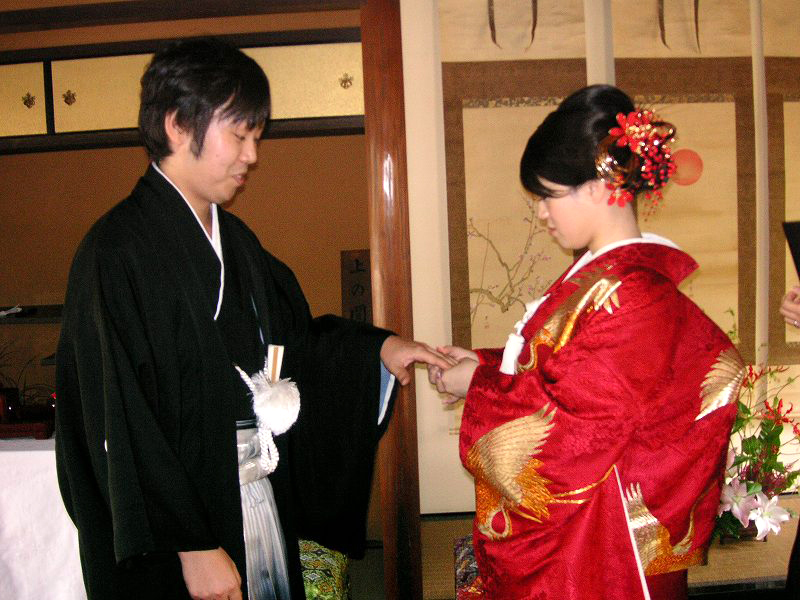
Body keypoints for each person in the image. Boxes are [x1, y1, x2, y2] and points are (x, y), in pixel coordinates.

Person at [55, 38, 450, 600]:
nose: (252, 156)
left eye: (256, 138)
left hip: (255, 495)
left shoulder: (237, 242)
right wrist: (192, 545)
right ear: (176, 125)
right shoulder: (115, 253)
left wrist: (377, 350)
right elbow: (120, 416)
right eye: (239, 136)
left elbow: (293, 343)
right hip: (179, 534)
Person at [428, 85, 746, 600]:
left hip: (599, 549)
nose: (541, 213)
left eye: (548, 196)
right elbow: (566, 372)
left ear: (599, 186)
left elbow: (573, 434)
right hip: (588, 534)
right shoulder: (609, 281)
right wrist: (488, 363)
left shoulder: (634, 295)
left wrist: (480, 385)